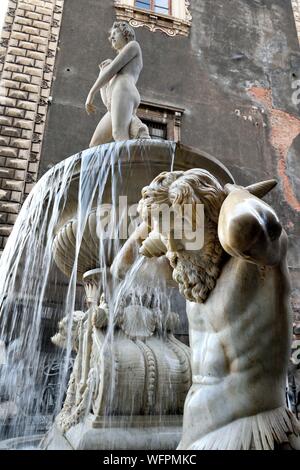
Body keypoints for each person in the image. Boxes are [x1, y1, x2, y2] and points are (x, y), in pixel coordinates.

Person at [111, 169, 300, 450]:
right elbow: (121, 268)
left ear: (212, 218)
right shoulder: (195, 271)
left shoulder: (257, 261)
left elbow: (244, 228)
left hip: (251, 431)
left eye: (182, 229)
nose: (173, 246)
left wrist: (234, 193)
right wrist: (157, 226)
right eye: (168, 234)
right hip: (201, 436)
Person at [85, 21, 149, 147]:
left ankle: (130, 166)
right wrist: (102, 77)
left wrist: (91, 93)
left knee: (119, 134)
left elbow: (112, 69)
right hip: (117, 96)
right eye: (111, 35)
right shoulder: (115, 67)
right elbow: (108, 103)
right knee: (94, 145)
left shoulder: (133, 46)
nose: (112, 37)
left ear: (126, 33)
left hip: (125, 89)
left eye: (115, 33)